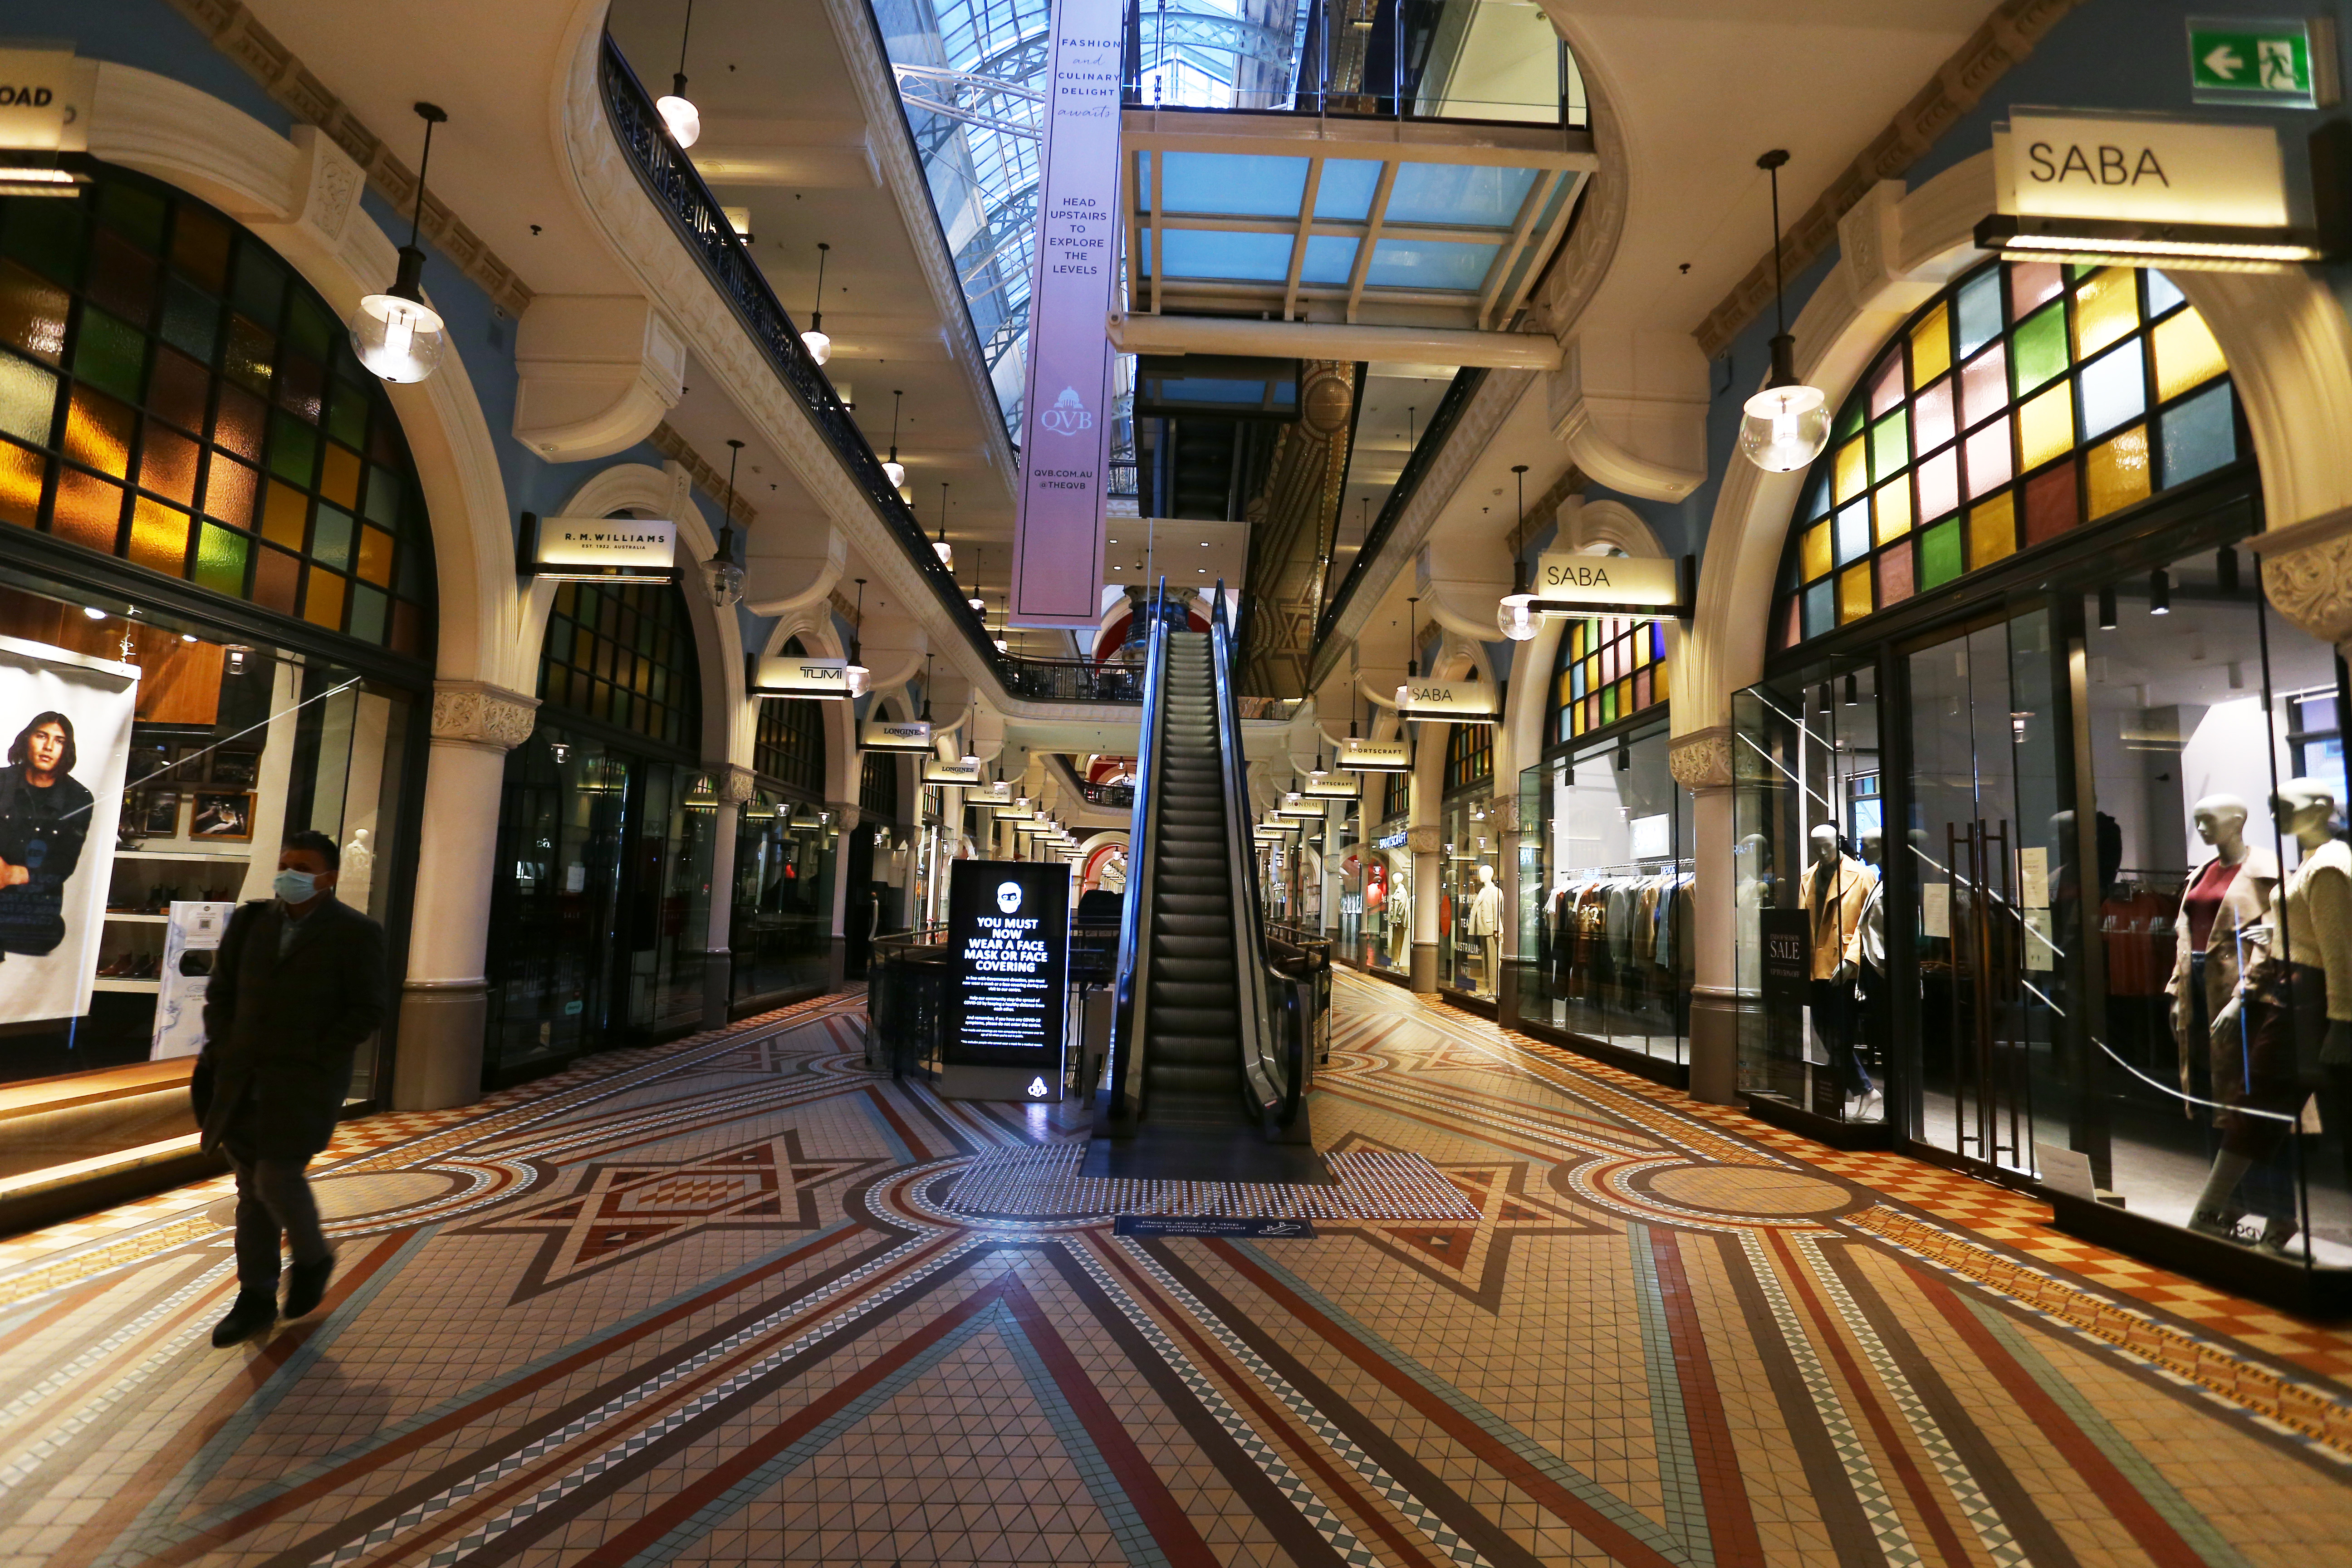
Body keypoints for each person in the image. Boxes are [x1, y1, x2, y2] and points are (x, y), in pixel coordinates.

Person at [194, 829, 387, 1347]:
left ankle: (313, 1257)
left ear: (329, 877)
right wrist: (222, 1048)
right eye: (286, 865)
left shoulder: (355, 933)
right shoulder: (252, 922)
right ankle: (255, 1296)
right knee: (250, 1193)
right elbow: (222, 992)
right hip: (241, 1079)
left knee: (276, 1178)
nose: (290, 876)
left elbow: (368, 1008)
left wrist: (318, 1054)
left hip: (304, 1084)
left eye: (302, 867)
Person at [0, 711, 94, 958]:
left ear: (67, 749)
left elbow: (63, 865)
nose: (49, 747)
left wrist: (13, 874)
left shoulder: (79, 799)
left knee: (49, 934)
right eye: (42, 736)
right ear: (27, 739)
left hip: (32, 908)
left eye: (59, 741)